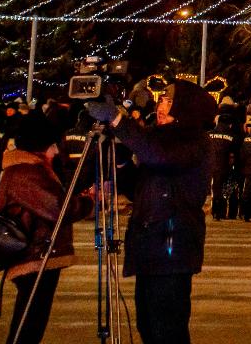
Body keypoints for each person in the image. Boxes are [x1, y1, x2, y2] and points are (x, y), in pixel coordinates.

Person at [88, 79, 216, 344]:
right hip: (150, 244)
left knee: (166, 328)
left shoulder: (193, 141)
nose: (161, 107)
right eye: (161, 100)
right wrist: (122, 162)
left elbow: (160, 157)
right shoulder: (159, 139)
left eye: (169, 101)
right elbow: (139, 186)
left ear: (185, 107)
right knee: (147, 324)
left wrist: (119, 121)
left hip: (171, 244)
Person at [0, 111, 94, 344]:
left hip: (40, 254)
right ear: (41, 146)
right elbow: (58, 208)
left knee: (32, 321)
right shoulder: (25, 171)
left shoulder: (30, 169)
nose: (57, 151)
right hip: (34, 255)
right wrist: (89, 203)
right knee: (28, 324)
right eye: (53, 146)